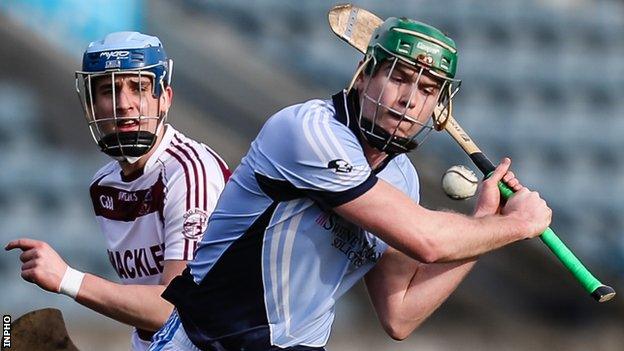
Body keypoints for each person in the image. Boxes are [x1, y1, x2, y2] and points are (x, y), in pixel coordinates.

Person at [149, 17, 551, 351]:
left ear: (438, 106)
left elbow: (400, 315)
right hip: (206, 341)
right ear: (363, 76)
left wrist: (484, 221)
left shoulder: (402, 178)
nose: (410, 99)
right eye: (399, 77)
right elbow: (427, 241)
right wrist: (514, 226)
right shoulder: (310, 131)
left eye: (427, 89)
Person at [5, 31, 230, 351]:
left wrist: (67, 279)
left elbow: (177, 310)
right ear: (90, 105)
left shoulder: (191, 171)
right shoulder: (104, 185)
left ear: (164, 98)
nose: (124, 104)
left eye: (138, 87)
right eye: (108, 90)